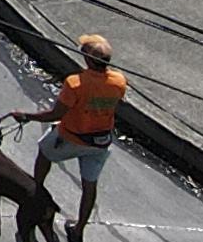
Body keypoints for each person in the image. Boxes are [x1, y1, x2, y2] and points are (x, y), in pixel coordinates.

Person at [13, 33, 125, 227]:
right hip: (100, 142)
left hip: (71, 137)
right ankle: (79, 228)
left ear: (88, 59)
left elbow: (55, 115)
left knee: (44, 154)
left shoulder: (75, 83)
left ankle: (33, 198)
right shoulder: (119, 81)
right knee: (89, 186)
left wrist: (26, 116)